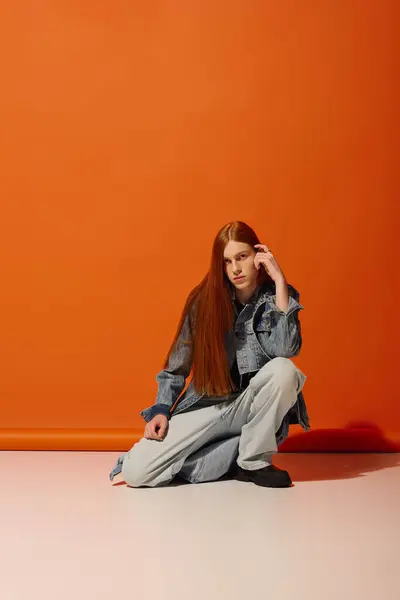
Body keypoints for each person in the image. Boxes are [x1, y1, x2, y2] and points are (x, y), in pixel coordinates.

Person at [109, 221, 309, 488]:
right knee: (137, 473)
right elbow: (175, 367)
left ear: (258, 256)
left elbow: (286, 349)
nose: (235, 269)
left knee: (285, 370)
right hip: (210, 407)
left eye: (242, 257)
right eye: (227, 262)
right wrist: (161, 410)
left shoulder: (278, 296)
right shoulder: (204, 303)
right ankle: (233, 454)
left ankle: (253, 461)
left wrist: (280, 281)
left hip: (252, 407)